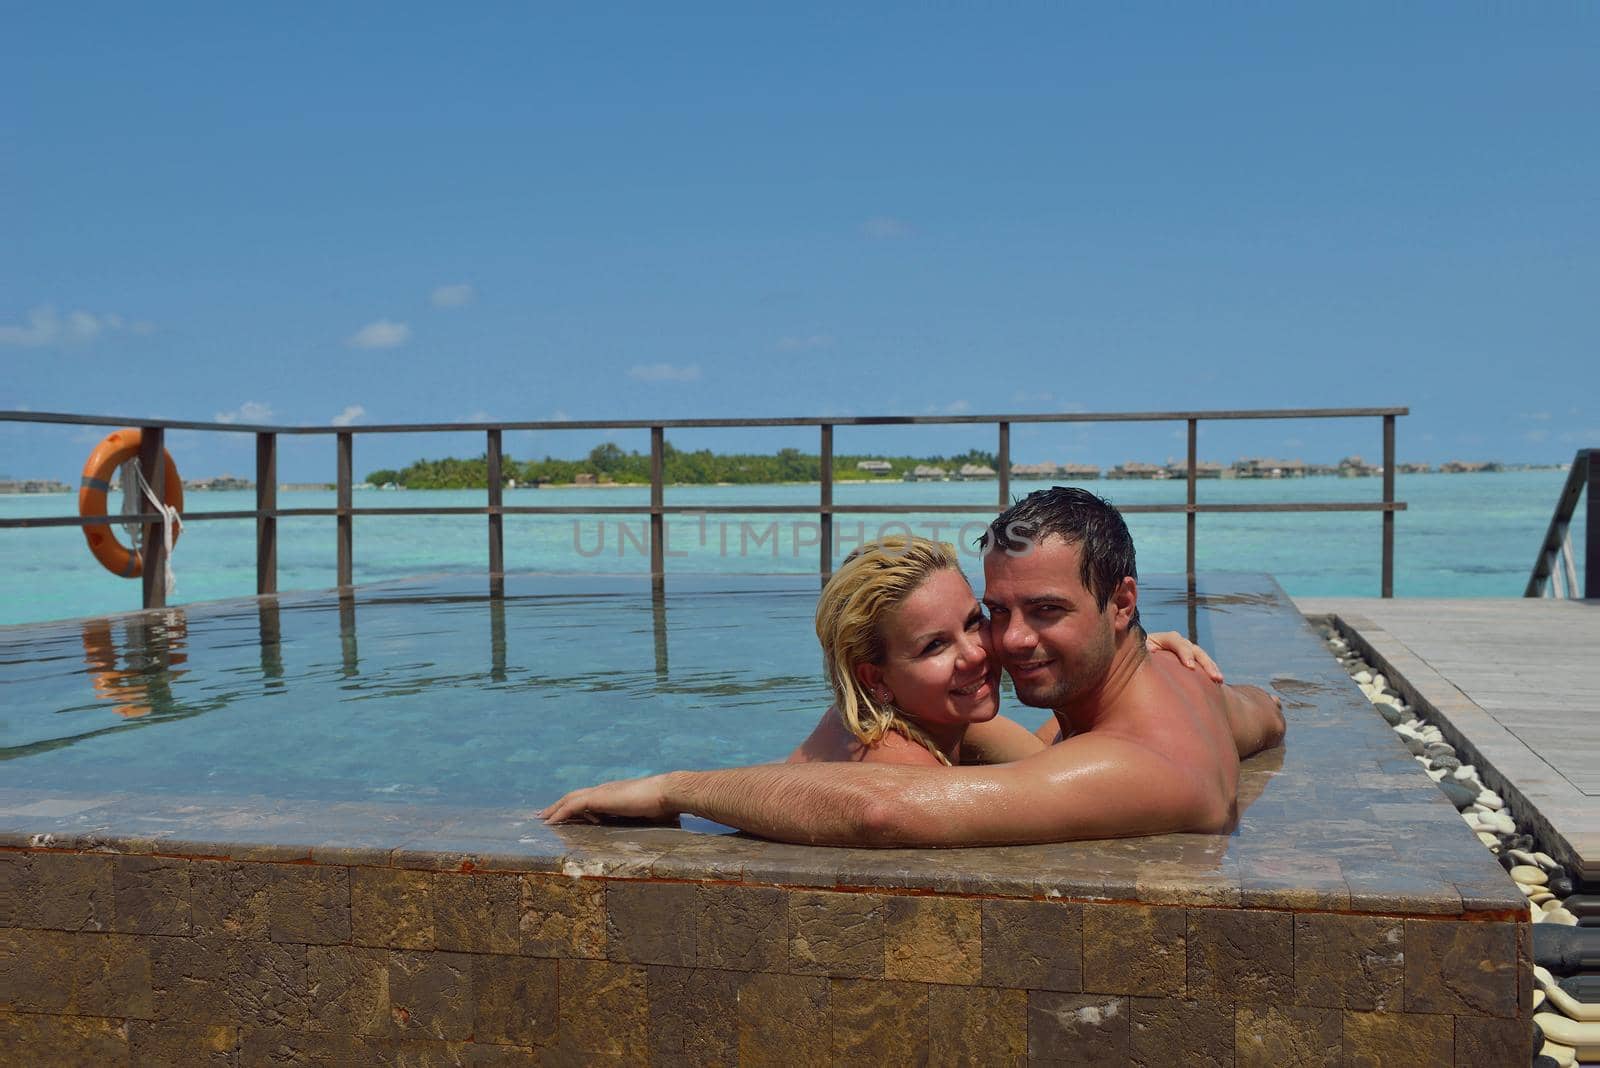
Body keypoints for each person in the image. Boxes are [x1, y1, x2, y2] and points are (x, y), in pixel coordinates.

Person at [541, 487, 1286, 846]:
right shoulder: (1192, 690)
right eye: (997, 610)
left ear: (1121, 602)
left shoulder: (1133, 766)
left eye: (1048, 611)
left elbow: (883, 808)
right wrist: (1158, 649)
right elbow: (1268, 711)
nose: (1007, 643)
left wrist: (676, 785)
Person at [784, 534, 1223, 768]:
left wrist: (1123, 651)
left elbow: (1046, 759)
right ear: (875, 678)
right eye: (934, 645)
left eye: (975, 621)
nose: (975, 654)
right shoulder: (898, 765)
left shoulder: (938, 722)